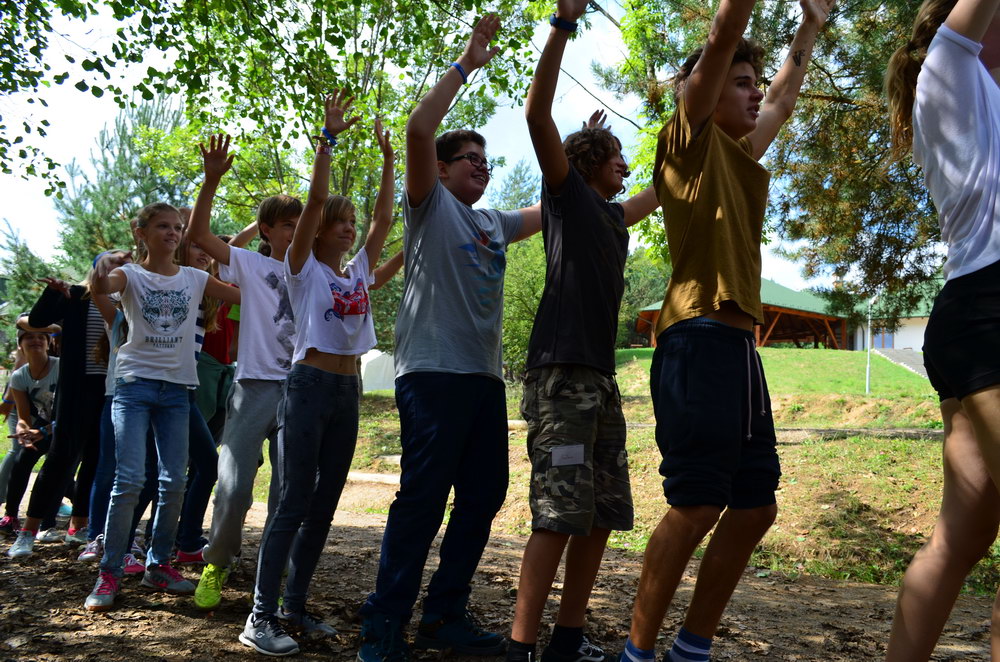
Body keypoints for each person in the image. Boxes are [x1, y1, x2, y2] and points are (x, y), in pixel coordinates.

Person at [619, 1, 834, 661]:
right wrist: (729, 41)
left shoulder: (739, 155)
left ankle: (692, 648)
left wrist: (809, 26)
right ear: (704, 93)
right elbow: (720, 42)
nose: (754, 91)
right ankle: (636, 653)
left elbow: (783, 99)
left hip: (739, 348)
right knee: (696, 506)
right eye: (740, 83)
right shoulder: (686, 142)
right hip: (696, 338)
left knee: (755, 508)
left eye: (754, 82)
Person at [357, 15, 542, 662]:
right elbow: (418, 128)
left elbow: (554, 209)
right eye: (471, 160)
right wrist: (468, 61)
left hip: (483, 380)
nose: (482, 170)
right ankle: (383, 623)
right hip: (432, 374)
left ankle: (443, 615)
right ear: (440, 170)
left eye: (488, 164)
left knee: (484, 496)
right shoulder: (429, 205)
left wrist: (577, 160)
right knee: (423, 500)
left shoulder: (494, 224)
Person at [507, 4, 661, 660]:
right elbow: (536, 114)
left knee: (601, 514)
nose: (626, 166)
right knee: (557, 514)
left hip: (600, 379)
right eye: (616, 157)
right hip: (561, 374)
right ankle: (521, 646)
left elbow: (666, 185)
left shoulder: (614, 217)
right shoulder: (567, 199)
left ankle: (567, 641)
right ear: (592, 161)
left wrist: (698, 117)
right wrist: (563, 27)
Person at [239, 92, 396, 656]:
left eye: (352, 222)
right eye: (340, 221)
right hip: (306, 387)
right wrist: (326, 143)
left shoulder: (357, 272)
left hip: (347, 389)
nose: (350, 228)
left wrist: (389, 161)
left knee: (325, 503)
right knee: (293, 501)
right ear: (321, 229)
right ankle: (259, 616)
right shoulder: (302, 268)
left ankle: (294, 606)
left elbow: (384, 219)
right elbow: (312, 204)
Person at [884, 0, 1000, 657]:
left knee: (963, 535)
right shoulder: (949, 69)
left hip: (972, 313)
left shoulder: (982, 95)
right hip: (990, 310)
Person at [84, 202, 239, 611]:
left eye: (178, 227)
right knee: (130, 480)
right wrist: (102, 269)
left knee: (173, 482)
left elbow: (245, 294)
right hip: (134, 388)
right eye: (163, 226)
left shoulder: (195, 278)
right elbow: (101, 285)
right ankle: (110, 571)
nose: (172, 233)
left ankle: (158, 565)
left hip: (177, 391)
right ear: (142, 232)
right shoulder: (131, 275)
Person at [187, 159, 303, 610]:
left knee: (288, 492)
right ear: (267, 230)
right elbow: (200, 236)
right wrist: (212, 180)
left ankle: (274, 569)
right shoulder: (252, 265)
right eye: (288, 225)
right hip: (254, 386)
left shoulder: (317, 269)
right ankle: (218, 561)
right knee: (233, 487)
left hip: (302, 391)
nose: (297, 231)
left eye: (302, 224)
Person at [5, 317, 61, 558]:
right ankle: (10, 516)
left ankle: (48, 524)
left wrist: (44, 431)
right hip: (42, 426)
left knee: (55, 470)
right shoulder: (19, 376)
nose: (35, 340)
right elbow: (23, 416)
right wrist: (23, 431)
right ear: (21, 345)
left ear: (49, 343)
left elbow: (72, 413)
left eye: (41, 337)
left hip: (66, 426)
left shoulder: (61, 367)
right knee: (21, 461)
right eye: (29, 337)